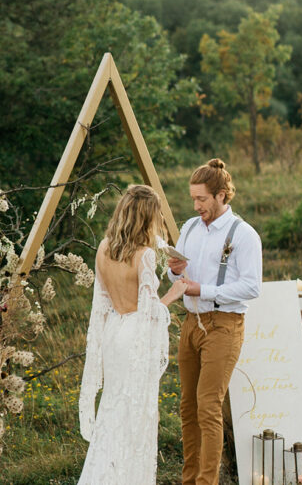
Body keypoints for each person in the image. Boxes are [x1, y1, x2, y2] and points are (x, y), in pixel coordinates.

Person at [78, 184, 189, 485]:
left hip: (113, 332)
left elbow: (100, 303)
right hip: (133, 341)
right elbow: (149, 311)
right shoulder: (143, 256)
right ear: (146, 218)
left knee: (114, 408)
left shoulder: (103, 248)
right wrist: (174, 294)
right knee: (134, 418)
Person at [167, 158, 262, 485]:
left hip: (224, 324)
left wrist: (202, 289)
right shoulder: (190, 228)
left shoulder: (244, 234)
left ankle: (207, 482)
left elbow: (252, 286)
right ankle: (189, 480)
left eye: (202, 199)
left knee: (208, 406)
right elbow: (176, 271)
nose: (196, 206)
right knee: (187, 407)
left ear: (222, 195)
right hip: (190, 323)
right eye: (193, 199)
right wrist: (174, 271)